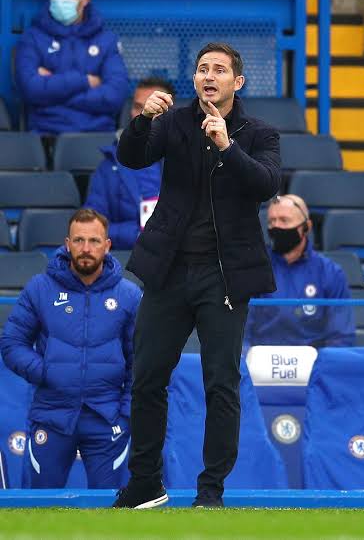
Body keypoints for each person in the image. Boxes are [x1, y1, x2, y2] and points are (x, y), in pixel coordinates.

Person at [112, 42, 281, 509]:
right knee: (147, 378)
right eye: (203, 69)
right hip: (169, 272)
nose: (209, 76)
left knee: (220, 384)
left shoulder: (259, 133)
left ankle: (211, 490)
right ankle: (146, 483)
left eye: (220, 70)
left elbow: (267, 185)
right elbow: (131, 157)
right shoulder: (173, 122)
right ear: (195, 79)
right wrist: (143, 120)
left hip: (224, 278)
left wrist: (227, 146)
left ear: (237, 82)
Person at [0, 209, 142, 489]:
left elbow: (140, 359)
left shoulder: (128, 295)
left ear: (107, 245)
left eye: (94, 241)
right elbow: (11, 343)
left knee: (110, 508)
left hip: (107, 418)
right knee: (40, 508)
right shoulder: (40, 289)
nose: (86, 248)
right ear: (67, 244)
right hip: (51, 415)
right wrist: (44, 371)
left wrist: (126, 413)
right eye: (78, 240)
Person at [244, 194, 355, 349]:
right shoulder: (255, 268)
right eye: (271, 221)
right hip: (260, 359)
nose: (276, 226)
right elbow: (241, 331)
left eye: (284, 220)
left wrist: (322, 361)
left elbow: (341, 336)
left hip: (314, 360)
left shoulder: (330, 273)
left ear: (306, 227)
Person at [15, 0, 128, 134]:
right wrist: (85, 81)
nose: (60, 0)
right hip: (45, 134)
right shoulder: (32, 37)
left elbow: (114, 95)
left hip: (98, 135)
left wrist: (53, 94)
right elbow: (30, 89)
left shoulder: (107, 40)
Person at [85, 78, 176, 250]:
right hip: (127, 255)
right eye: (137, 107)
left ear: (169, 113)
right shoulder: (109, 166)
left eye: (152, 106)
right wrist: (138, 234)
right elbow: (92, 227)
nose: (143, 113)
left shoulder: (189, 159)